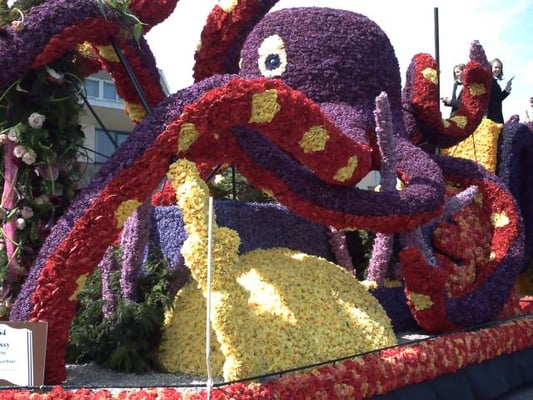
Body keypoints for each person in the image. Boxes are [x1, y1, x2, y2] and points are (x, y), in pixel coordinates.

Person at [486, 58, 512, 124]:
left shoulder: (494, 82)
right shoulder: (488, 81)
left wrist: (506, 90)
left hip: (497, 115)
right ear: (490, 68)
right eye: (496, 67)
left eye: (499, 68)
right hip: (490, 116)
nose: (498, 69)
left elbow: (497, 99)